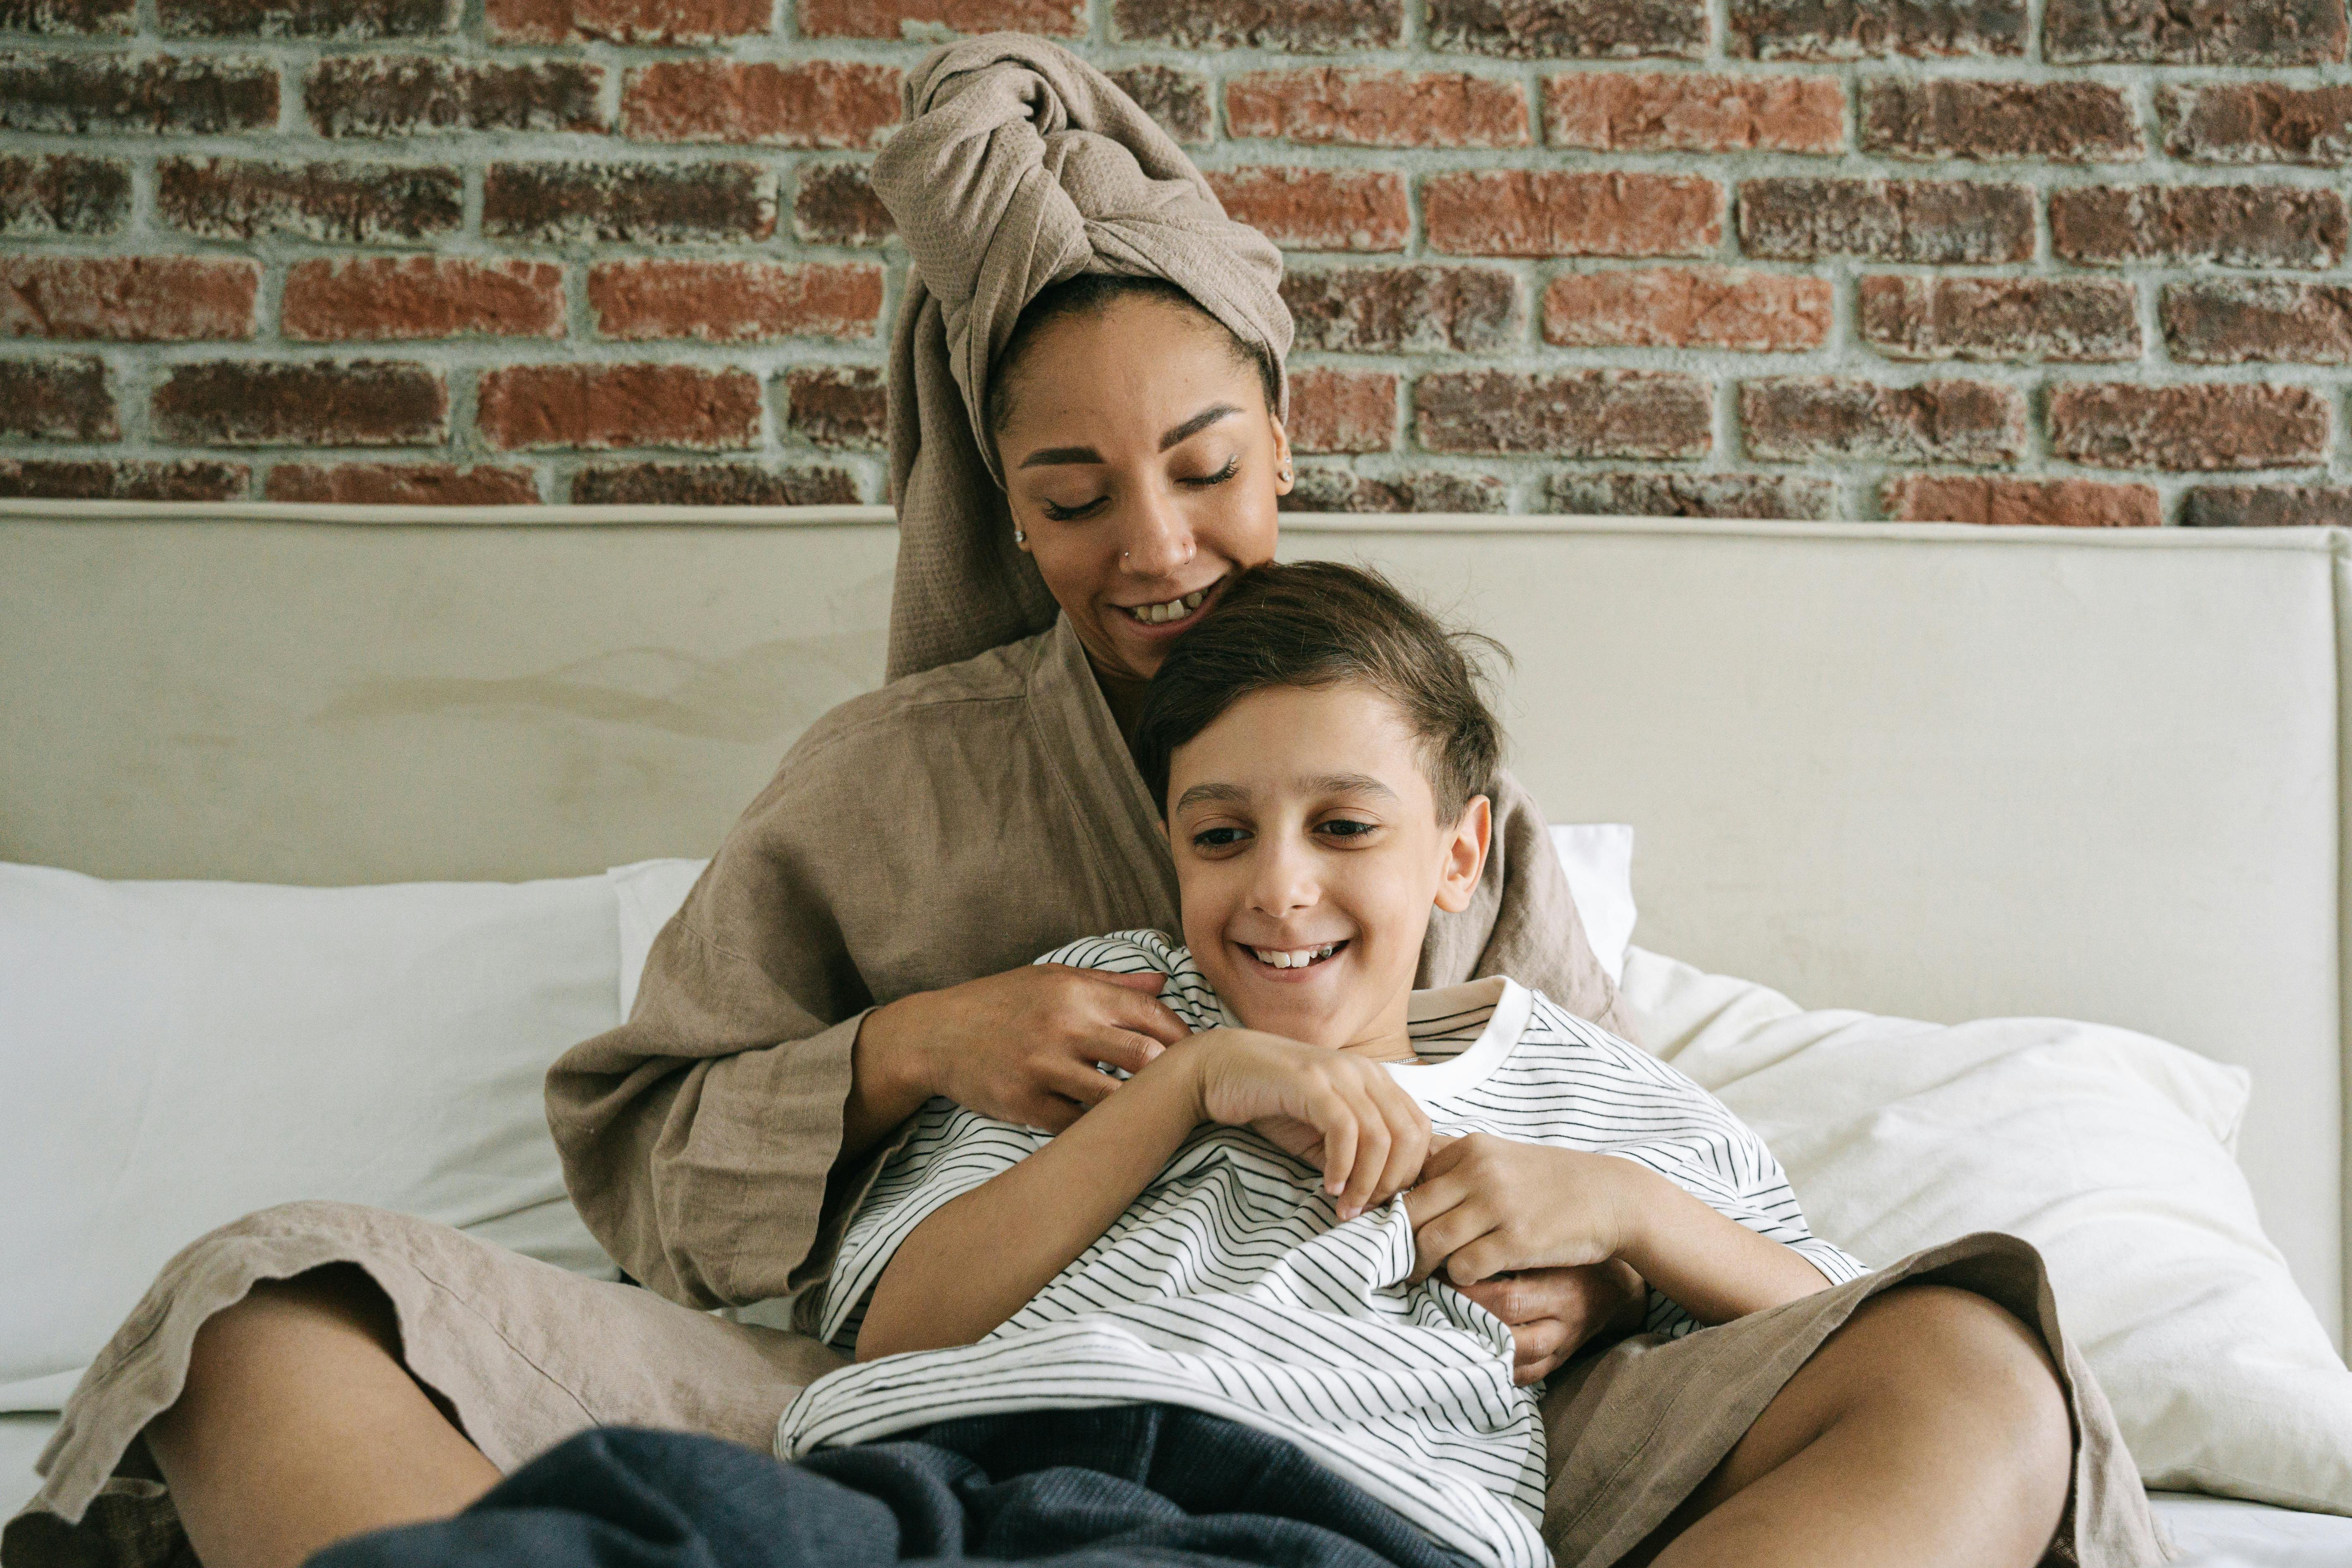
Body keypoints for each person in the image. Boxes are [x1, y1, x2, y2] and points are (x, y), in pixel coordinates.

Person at [5, 38, 1641, 1568]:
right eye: (1074, 500)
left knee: (1897, 1342)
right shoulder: (888, 784)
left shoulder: (1425, 790)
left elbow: (1638, 1156)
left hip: (1341, 1419)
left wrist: (1592, 1276)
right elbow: (645, 1157)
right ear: (1005, 511)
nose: (1154, 550)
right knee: (257, 1314)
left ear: (1283, 447)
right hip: (871, 1398)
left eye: (1207, 472)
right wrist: (912, 1048)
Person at [296, 564, 2153, 1568]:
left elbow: (1839, 1329)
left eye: (1345, 826)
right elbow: (897, 1330)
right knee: (615, 1509)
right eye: (1218, 835)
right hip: (923, 1484)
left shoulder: (1602, 1097)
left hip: (1325, 1516)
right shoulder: (1098, 1009)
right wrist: (1191, 1091)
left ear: (1462, 852)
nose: (1276, 892)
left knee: (1996, 1371)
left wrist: (1628, 1219)